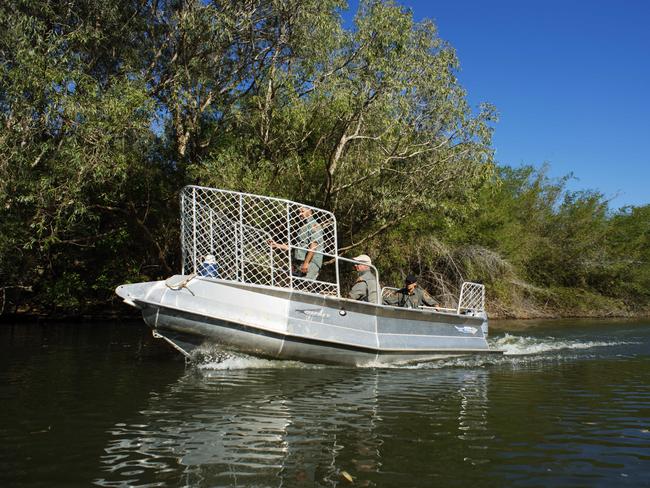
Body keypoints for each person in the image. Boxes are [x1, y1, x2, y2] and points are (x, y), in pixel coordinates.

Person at [269, 206, 324, 280]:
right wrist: (276, 244)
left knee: (305, 285)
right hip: (299, 262)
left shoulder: (315, 225)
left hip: (311, 263)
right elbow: (293, 246)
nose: (300, 214)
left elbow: (313, 246)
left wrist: (306, 263)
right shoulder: (302, 226)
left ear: (310, 211)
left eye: (302, 211)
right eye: (299, 212)